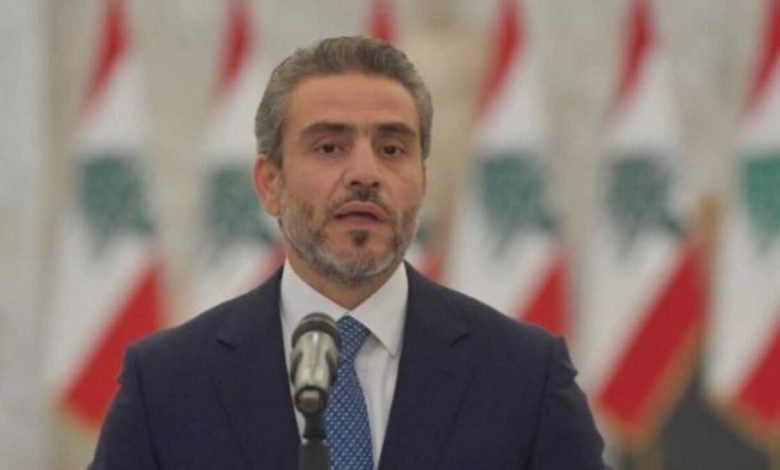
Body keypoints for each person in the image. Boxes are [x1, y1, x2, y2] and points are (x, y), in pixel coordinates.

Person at [90, 36, 607, 469]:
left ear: (422, 181)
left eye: (392, 149)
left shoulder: (525, 376)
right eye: (329, 147)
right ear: (270, 183)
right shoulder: (166, 384)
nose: (365, 173)